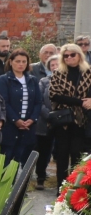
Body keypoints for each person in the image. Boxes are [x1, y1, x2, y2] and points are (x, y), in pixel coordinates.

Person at [49, 43, 91, 188]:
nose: (69, 58)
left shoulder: (89, 72)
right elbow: (54, 95)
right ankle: (61, 188)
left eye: (72, 54)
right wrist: (80, 102)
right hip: (64, 120)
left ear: (79, 55)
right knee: (61, 155)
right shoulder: (58, 73)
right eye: (65, 56)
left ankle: (74, 187)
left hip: (83, 120)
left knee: (77, 155)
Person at [0, 49, 41, 164]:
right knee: (6, 160)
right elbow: (3, 102)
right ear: (11, 62)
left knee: (21, 160)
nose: (21, 64)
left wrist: (32, 119)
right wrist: (16, 120)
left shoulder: (32, 80)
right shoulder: (4, 79)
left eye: (24, 62)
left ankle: (20, 182)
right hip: (10, 126)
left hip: (28, 127)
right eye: (18, 61)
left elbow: (38, 102)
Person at [34, 54, 60, 190]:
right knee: (44, 151)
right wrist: (49, 115)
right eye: (52, 65)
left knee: (62, 152)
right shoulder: (44, 81)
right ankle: (41, 177)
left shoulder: (70, 81)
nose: (55, 67)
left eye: (57, 64)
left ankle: (63, 180)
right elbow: (39, 101)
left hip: (63, 123)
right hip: (46, 122)